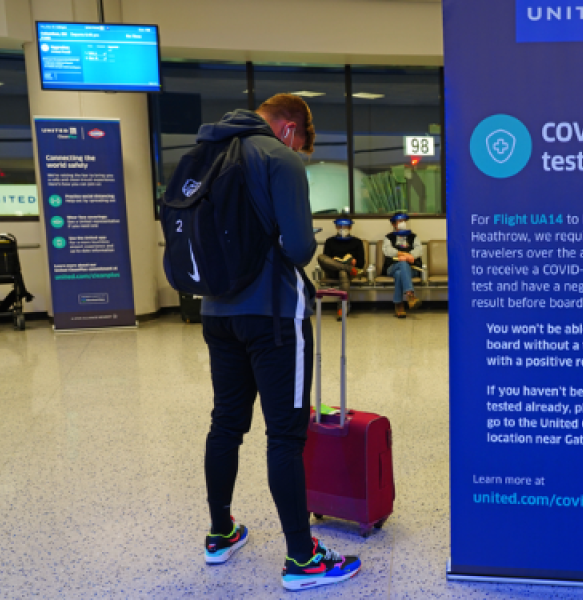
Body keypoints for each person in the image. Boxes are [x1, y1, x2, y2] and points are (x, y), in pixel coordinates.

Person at [196, 93, 361, 591]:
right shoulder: (279, 156)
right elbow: (300, 246)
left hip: (215, 311)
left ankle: (221, 532)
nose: (300, 150)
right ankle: (302, 559)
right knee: (285, 435)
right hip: (271, 317)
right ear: (291, 128)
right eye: (303, 143)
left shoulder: (204, 154)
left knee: (225, 422)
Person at [317, 215, 366, 320]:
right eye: (340, 226)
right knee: (320, 257)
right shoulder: (329, 241)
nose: (342, 229)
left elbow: (361, 263)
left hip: (350, 271)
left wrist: (354, 262)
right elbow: (326, 260)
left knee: (342, 272)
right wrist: (334, 261)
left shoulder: (357, 242)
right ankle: (345, 268)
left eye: (345, 226)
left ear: (350, 228)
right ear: (336, 227)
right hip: (333, 270)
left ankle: (342, 308)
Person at [383, 211, 423, 318]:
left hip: (412, 269)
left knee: (400, 273)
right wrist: (403, 254)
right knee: (402, 262)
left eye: (404, 221)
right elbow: (387, 251)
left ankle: (399, 304)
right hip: (392, 267)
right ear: (394, 224)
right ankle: (410, 294)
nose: (402, 223)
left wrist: (411, 256)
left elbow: (419, 250)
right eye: (400, 221)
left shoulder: (413, 236)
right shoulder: (388, 237)